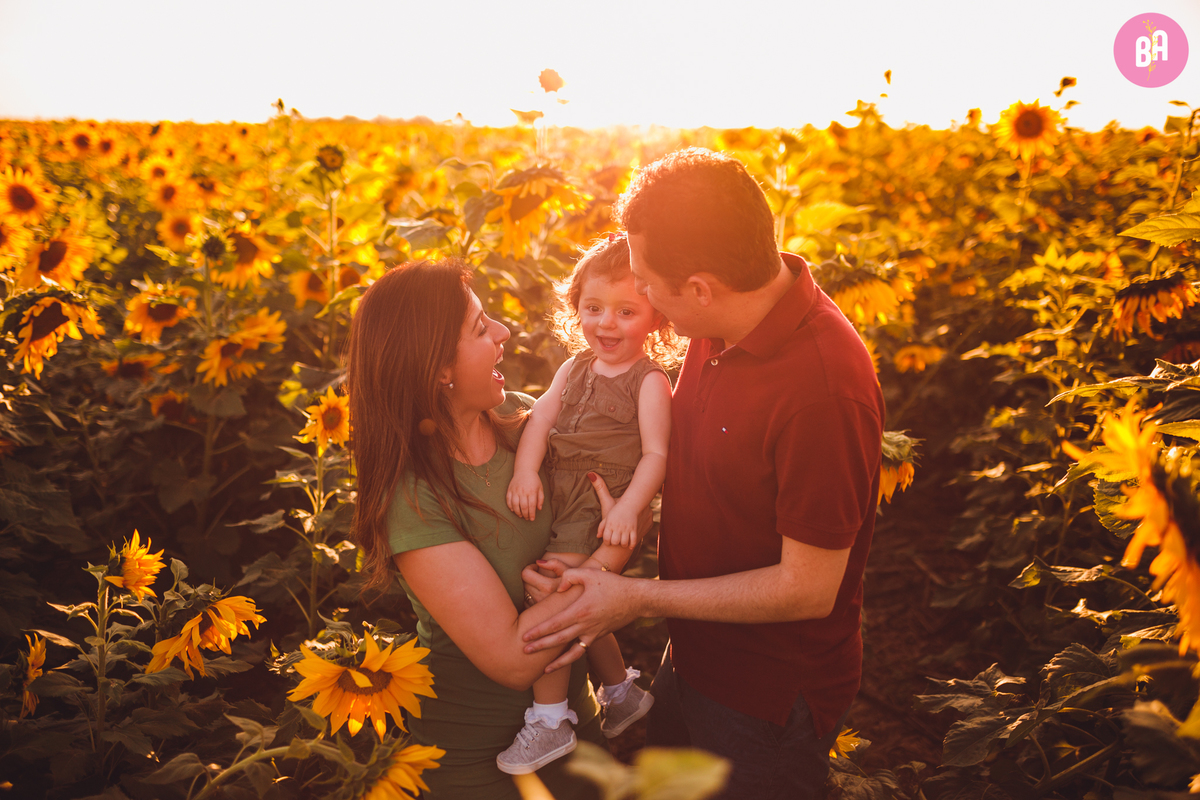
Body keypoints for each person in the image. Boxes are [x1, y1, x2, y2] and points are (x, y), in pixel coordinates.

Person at [522, 148, 885, 800]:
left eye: (645, 283)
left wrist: (637, 597)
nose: (639, 296)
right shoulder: (722, 320)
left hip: (765, 695)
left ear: (699, 288)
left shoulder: (823, 389)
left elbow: (808, 588)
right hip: (692, 650)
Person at [346, 259, 645, 799]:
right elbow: (512, 659)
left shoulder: (531, 430)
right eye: (482, 328)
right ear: (440, 369)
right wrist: (610, 565)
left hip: (579, 735)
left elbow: (624, 485)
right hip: (475, 760)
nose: (505, 332)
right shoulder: (413, 497)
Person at [497, 235, 677, 774]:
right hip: (557, 491)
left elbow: (656, 455)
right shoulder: (573, 368)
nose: (606, 323)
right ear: (574, 307)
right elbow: (542, 420)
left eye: (626, 311)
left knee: (556, 599)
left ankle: (550, 720)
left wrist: (626, 510)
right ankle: (620, 691)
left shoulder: (649, 383)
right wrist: (527, 469)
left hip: (596, 507)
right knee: (577, 596)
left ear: (655, 318)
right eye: (593, 308)